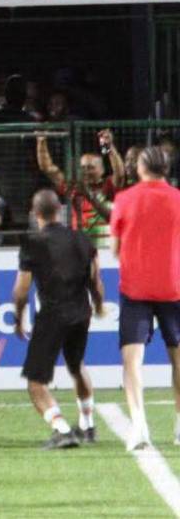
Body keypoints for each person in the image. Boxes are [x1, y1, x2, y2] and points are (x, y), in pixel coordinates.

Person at [13, 189, 102, 449]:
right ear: (60, 210)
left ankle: (62, 429)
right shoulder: (81, 239)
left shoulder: (33, 243)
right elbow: (96, 279)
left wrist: (18, 318)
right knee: (76, 367)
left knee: (35, 382)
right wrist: (98, 304)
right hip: (81, 312)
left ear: (34, 214)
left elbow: (21, 290)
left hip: (52, 315)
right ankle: (88, 425)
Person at [111, 145, 180, 451]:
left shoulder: (124, 199)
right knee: (177, 358)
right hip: (174, 286)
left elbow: (115, 249)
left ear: (140, 168)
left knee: (132, 359)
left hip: (135, 288)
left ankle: (139, 427)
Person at [36, 130, 124, 246]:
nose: (86, 171)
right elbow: (47, 168)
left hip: (104, 248)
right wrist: (41, 140)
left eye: (90, 167)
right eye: (82, 168)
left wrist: (109, 147)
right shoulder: (73, 186)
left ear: (102, 170)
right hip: (78, 247)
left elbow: (120, 174)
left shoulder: (107, 186)